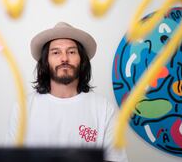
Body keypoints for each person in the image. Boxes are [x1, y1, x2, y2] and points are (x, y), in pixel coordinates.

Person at [7, 22, 129, 162]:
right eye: (56, 52)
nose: (64, 58)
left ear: (82, 60)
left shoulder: (104, 109)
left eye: (71, 52)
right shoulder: (23, 108)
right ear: (45, 61)